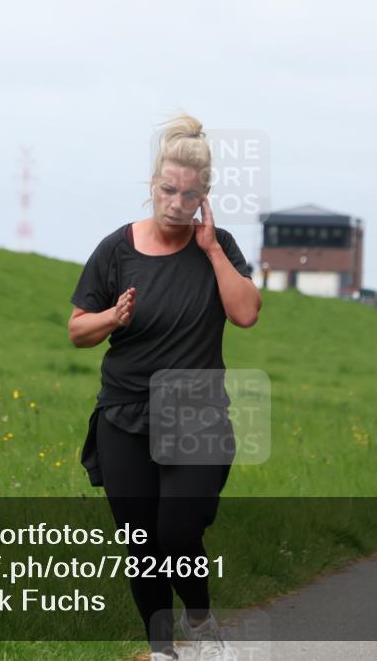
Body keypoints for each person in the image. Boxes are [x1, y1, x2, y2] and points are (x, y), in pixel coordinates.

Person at [68, 114, 261, 661]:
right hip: (124, 416)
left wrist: (213, 250)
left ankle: (199, 620)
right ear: (152, 185)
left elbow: (246, 315)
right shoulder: (117, 248)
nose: (175, 202)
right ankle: (162, 651)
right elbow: (78, 330)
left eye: (189, 194)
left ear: (205, 196)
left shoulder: (216, 246)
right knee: (141, 547)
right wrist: (112, 318)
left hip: (195, 416)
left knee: (177, 534)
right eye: (167, 190)